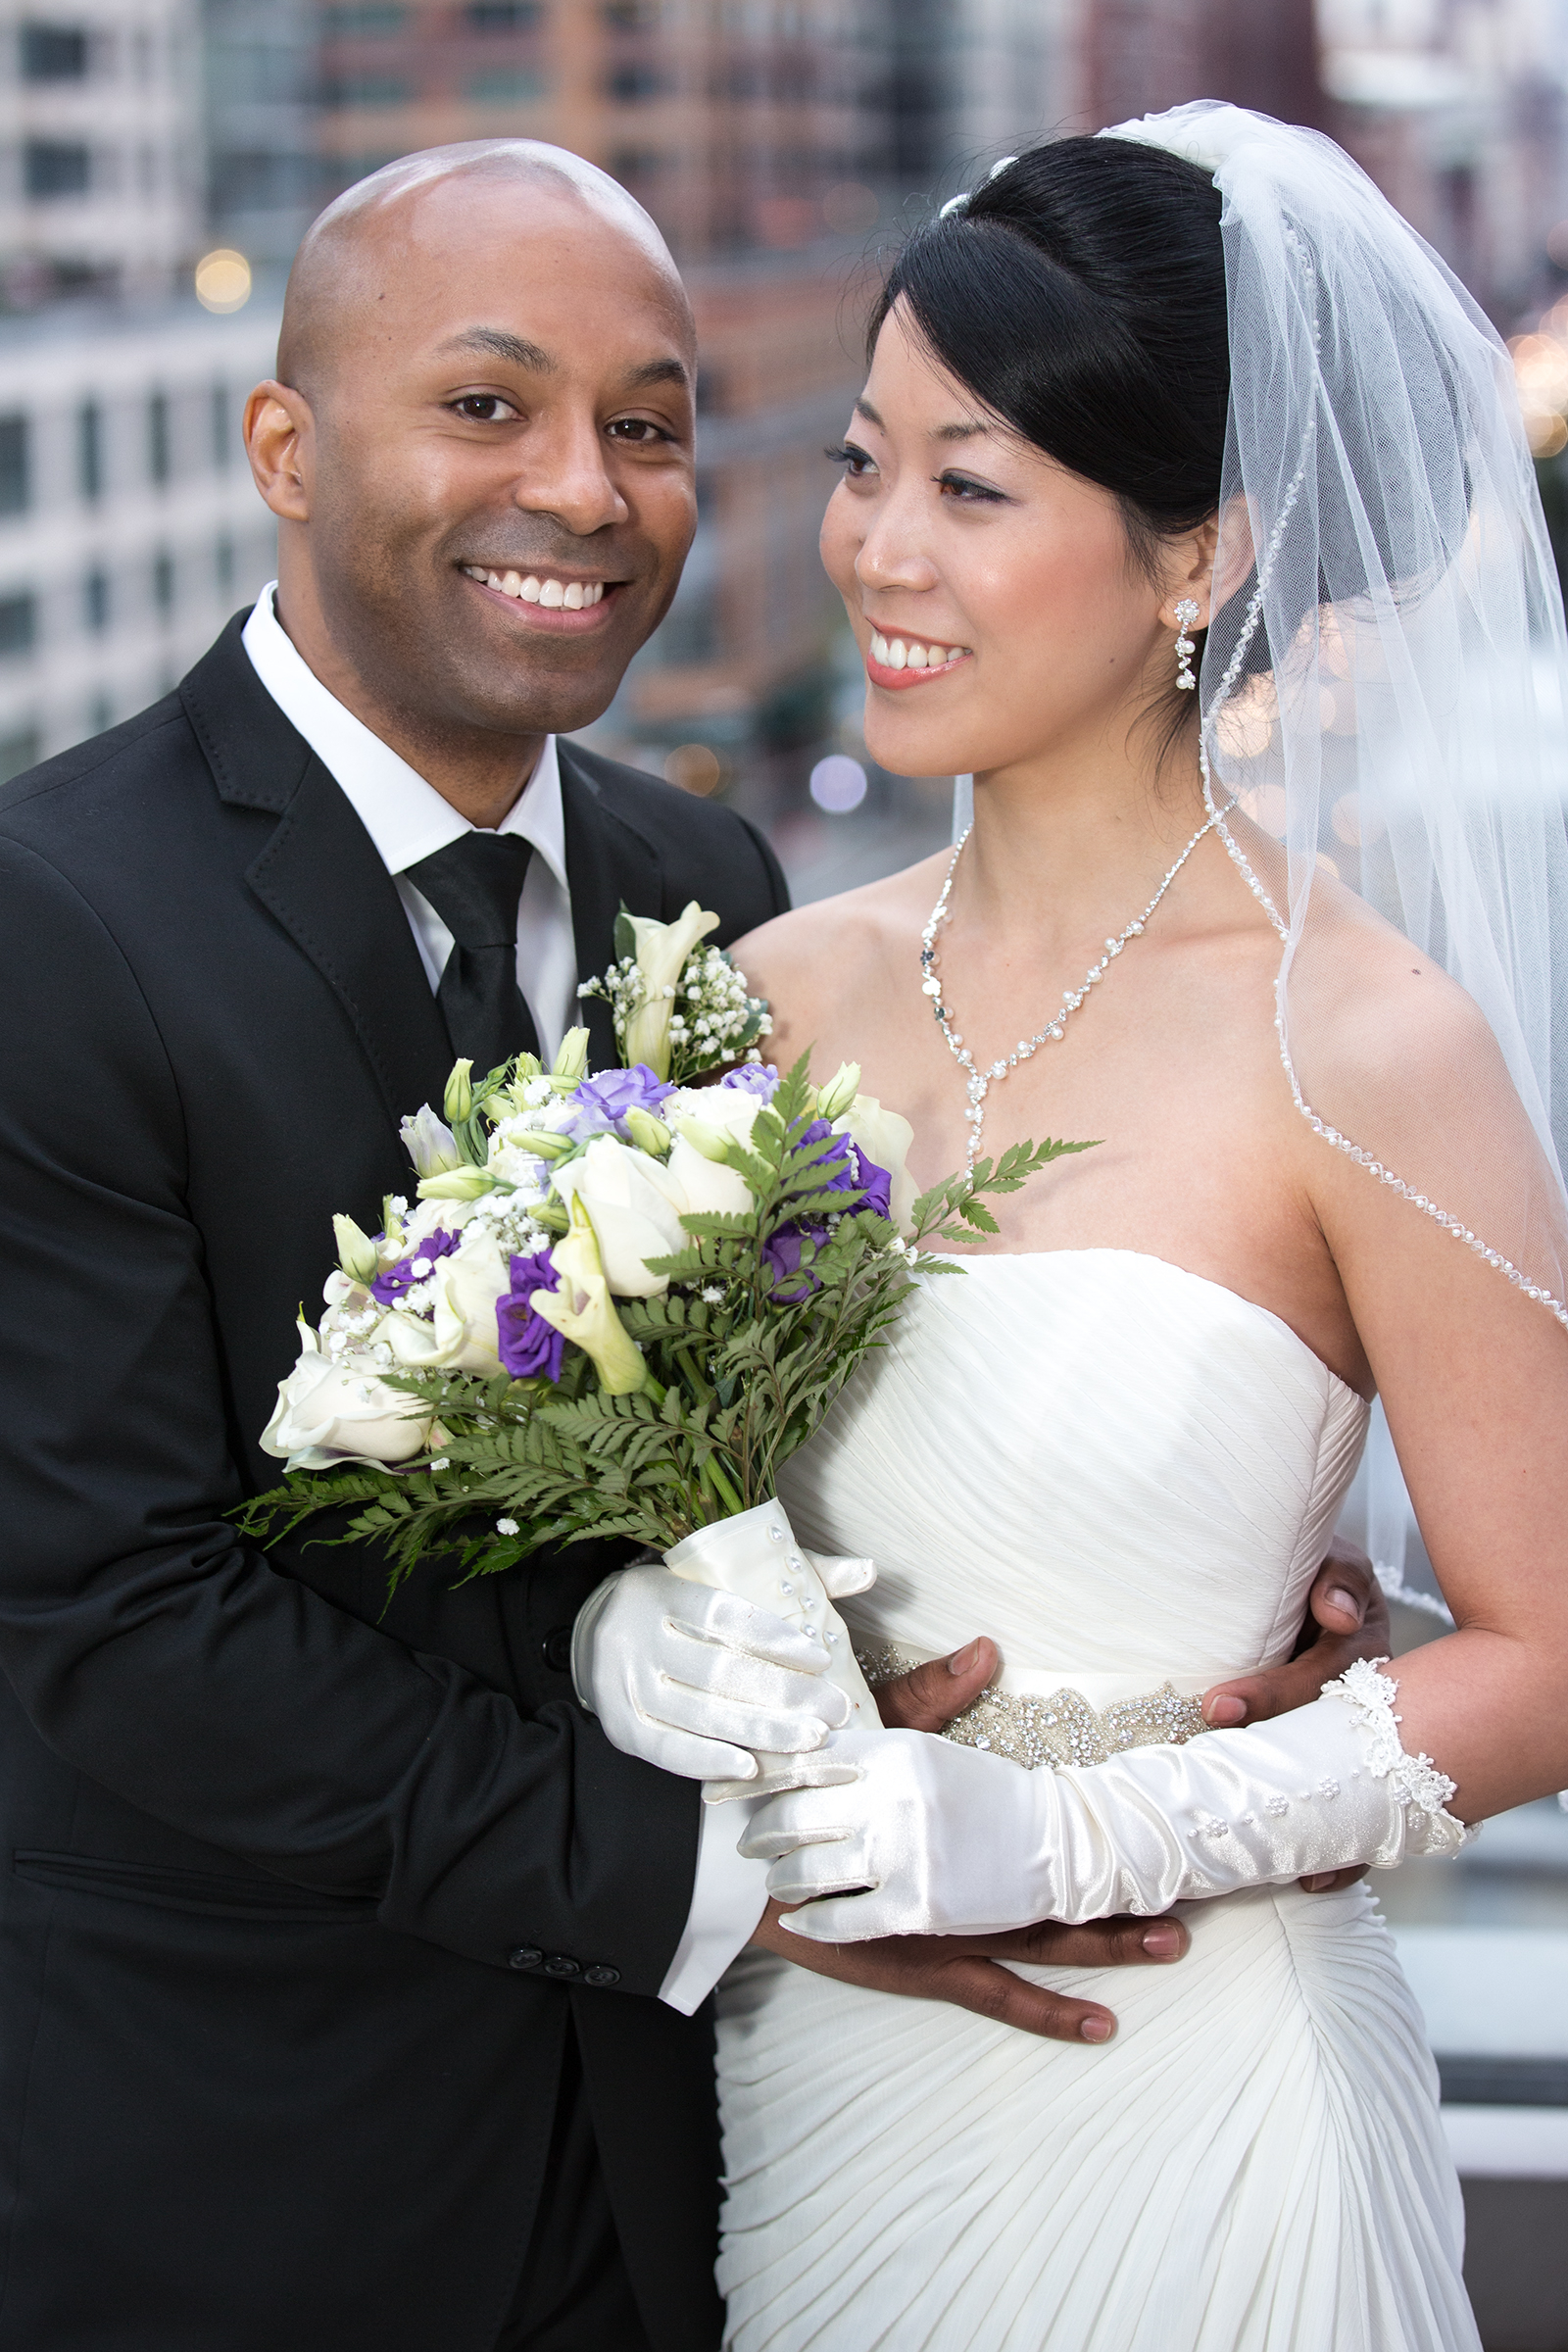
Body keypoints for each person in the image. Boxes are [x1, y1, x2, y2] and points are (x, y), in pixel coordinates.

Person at [0, 136, 1385, 2351]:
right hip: (252, 2169)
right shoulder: (50, 920)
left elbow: (828, 1417)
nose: (585, 488)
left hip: (724, 2164)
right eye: (486, 407)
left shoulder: (712, 893)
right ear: (281, 443)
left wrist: (1219, 1626)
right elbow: (107, 1612)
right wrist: (730, 1884)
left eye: (645, 426)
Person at [576, 108, 1568, 2349]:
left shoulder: (1362, 1042)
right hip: (807, 2116)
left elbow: (1548, 1644)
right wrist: (627, 1655)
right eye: (861, 459)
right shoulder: (753, 997)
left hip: (1196, 2114)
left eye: (972, 483)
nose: (873, 551)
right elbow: (624, 1501)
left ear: (1193, 556)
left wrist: (1076, 1841)